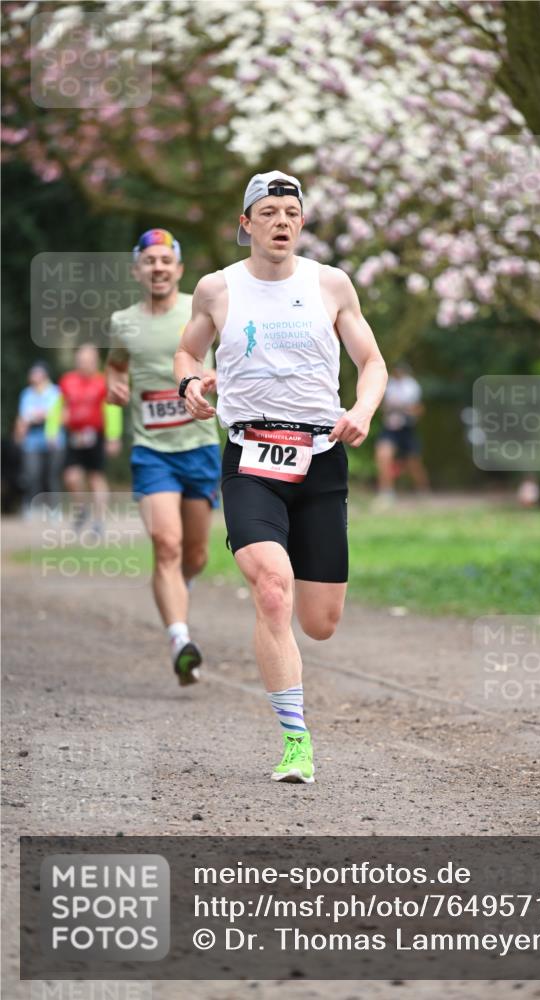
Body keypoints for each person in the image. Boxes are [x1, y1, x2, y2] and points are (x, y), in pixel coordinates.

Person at [174, 170, 387, 783]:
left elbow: (372, 362)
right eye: (268, 212)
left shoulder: (331, 284)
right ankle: (297, 743)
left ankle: (288, 640)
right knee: (272, 588)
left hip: (321, 458)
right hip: (250, 459)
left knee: (319, 622)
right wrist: (190, 382)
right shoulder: (217, 290)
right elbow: (187, 353)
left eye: (291, 212)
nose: (282, 221)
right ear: (245, 224)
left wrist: (362, 412)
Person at [106, 229, 222, 685]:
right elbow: (116, 365)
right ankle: (180, 640)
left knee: (194, 554)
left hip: (199, 447)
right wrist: (114, 385)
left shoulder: (203, 307)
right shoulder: (123, 321)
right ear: (138, 270)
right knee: (167, 545)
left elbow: (234, 356)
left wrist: (214, 373)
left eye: (165, 260)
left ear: (178, 268)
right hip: (152, 450)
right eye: (149, 260)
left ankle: (181, 590)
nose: (157, 267)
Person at [56, 343, 122, 531]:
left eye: (88, 360)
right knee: (71, 477)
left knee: (96, 477)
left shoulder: (103, 381)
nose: (84, 363)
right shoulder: (67, 380)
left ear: (96, 361)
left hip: (96, 436)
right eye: (81, 360)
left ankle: (99, 521)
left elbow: (112, 410)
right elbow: (59, 406)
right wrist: (54, 427)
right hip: (74, 436)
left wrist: (113, 437)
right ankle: (82, 509)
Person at [14, 361, 63, 517]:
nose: (34, 376)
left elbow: (54, 415)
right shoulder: (27, 394)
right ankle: (30, 505)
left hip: (53, 440)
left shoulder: (55, 392)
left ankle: (54, 508)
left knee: (52, 475)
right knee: (31, 474)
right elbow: (24, 417)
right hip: (31, 442)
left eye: (37, 373)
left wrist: (37, 416)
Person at [375, 361, 429, 503]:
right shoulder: (389, 385)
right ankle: (386, 492)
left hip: (407, 428)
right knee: (383, 455)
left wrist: (403, 409)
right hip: (390, 428)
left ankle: (422, 491)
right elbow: (383, 406)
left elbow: (417, 409)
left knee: (414, 463)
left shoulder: (412, 386)